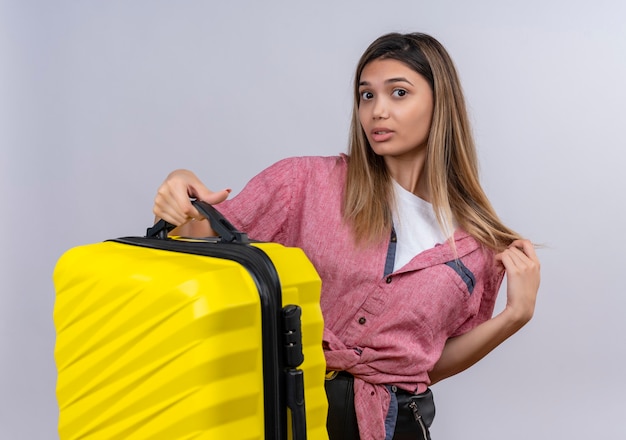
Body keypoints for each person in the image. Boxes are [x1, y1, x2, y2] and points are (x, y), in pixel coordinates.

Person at [153, 32, 540, 440]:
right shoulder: (304, 183)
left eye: (399, 93)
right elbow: (196, 243)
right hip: (289, 414)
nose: (378, 111)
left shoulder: (476, 248)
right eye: (367, 96)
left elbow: (421, 364)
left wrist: (514, 317)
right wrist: (179, 185)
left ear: (440, 104)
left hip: (395, 426)